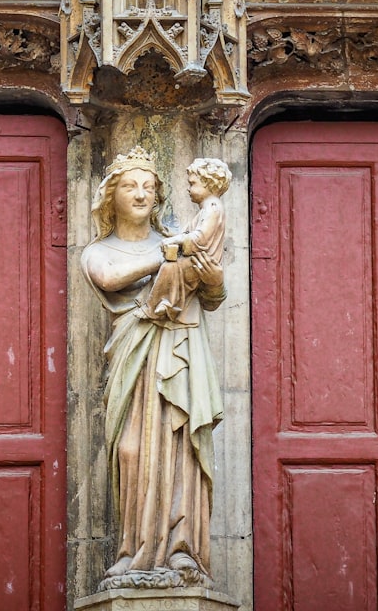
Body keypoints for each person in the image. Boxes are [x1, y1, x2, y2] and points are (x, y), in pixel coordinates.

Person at [81, 146, 226, 590]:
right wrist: (169, 253)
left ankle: (182, 554)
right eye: (130, 186)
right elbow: (108, 278)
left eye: (149, 186)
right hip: (135, 358)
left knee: (180, 447)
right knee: (132, 451)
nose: (141, 194)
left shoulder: (180, 241)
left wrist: (213, 277)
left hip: (181, 351)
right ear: (112, 196)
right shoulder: (99, 250)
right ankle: (136, 552)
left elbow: (213, 296)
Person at [146, 158, 231, 324]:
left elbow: (200, 237)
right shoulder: (207, 210)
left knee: (169, 268)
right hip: (196, 261)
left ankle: (159, 305)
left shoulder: (212, 208)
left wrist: (215, 284)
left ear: (209, 184)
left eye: (192, 184)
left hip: (199, 262)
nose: (188, 189)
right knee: (170, 268)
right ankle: (167, 303)